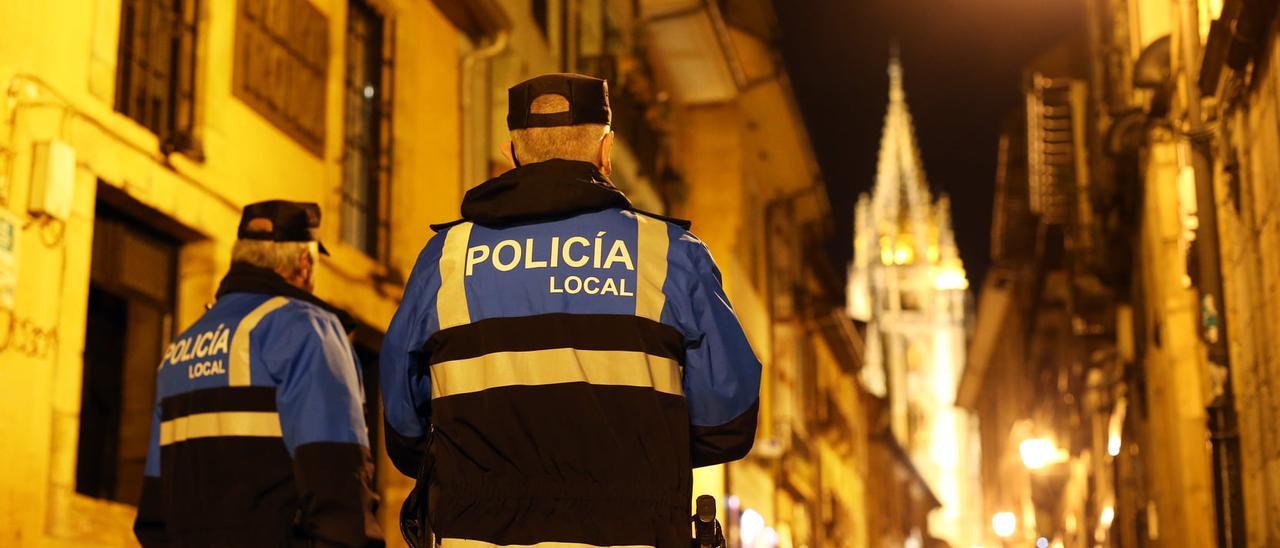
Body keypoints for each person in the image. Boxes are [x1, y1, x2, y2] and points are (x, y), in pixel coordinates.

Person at [381, 73, 762, 547]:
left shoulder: (446, 258)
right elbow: (728, 420)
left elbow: (403, 422)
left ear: (513, 153)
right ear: (606, 150)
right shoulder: (669, 253)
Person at [133, 201, 383, 547]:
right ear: (305, 262)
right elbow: (338, 482)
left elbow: (154, 507)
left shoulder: (181, 347)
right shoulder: (306, 328)